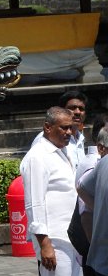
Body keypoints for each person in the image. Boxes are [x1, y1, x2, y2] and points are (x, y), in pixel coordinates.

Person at [21, 106, 81, 276]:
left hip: (73, 237)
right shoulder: (38, 156)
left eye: (71, 127)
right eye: (64, 127)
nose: (69, 132)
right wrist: (45, 244)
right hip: (54, 240)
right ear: (48, 127)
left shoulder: (66, 151)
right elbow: (34, 203)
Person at [69, 113, 108, 276]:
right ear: (100, 147)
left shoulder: (102, 163)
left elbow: (82, 188)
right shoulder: (98, 164)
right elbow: (85, 213)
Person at [32, 90, 87, 170]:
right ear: (62, 111)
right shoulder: (46, 138)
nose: (77, 112)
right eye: (72, 108)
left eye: (81, 109)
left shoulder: (80, 138)